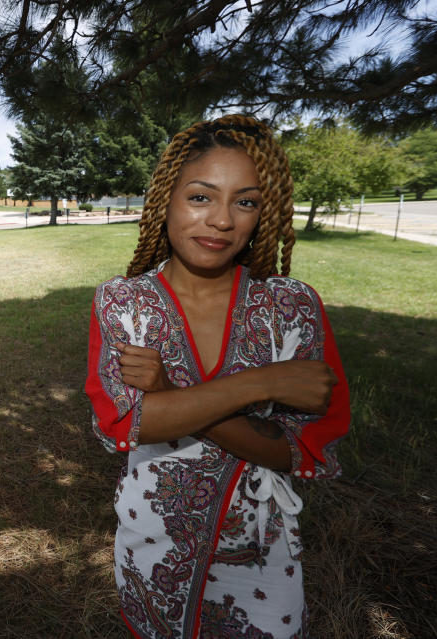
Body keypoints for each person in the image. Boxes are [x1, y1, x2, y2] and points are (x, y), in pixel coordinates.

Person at [85, 115, 350, 638]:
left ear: (262, 213)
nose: (222, 221)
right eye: (201, 197)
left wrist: (170, 399)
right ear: (166, 200)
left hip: (264, 555)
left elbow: (301, 452)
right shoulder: (124, 301)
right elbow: (125, 426)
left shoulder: (291, 307)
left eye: (245, 202)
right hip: (152, 547)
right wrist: (262, 383)